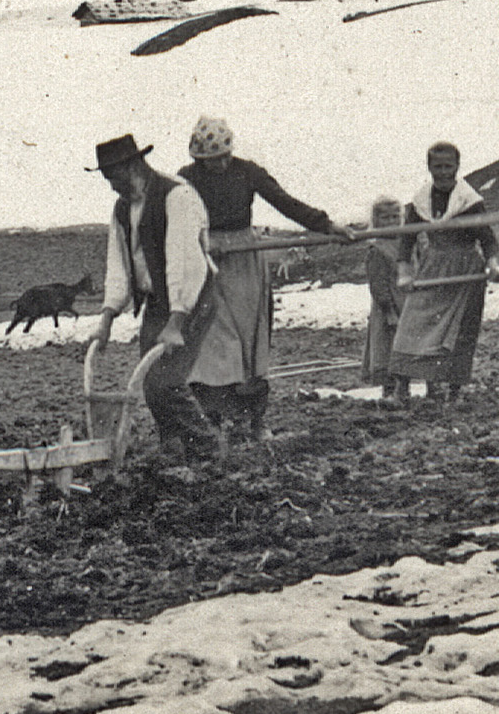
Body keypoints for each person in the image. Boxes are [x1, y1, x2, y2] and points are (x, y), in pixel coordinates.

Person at [178, 117, 342, 441]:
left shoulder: (247, 171)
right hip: (205, 259)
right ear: (198, 159)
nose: (220, 164)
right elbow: (175, 220)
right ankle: (213, 419)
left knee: (248, 341)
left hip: (244, 258)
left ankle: (251, 420)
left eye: (224, 156)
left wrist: (326, 225)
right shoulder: (186, 179)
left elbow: (285, 202)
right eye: (211, 161)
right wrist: (200, 244)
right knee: (212, 341)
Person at [84, 133, 225, 466]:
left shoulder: (176, 196)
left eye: (114, 178)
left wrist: (177, 322)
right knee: (151, 384)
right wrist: (105, 320)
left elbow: (185, 263)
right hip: (158, 302)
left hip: (193, 299)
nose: (112, 186)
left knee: (168, 381)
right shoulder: (122, 209)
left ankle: (206, 449)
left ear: (133, 166)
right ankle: (175, 446)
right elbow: (118, 266)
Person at [389, 140, 499, 402]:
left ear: (457, 166)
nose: (442, 171)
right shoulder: (420, 202)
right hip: (432, 267)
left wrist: (493, 264)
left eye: (448, 166)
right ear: (429, 167)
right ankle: (402, 387)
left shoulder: (470, 201)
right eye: (437, 166)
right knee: (413, 325)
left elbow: (487, 238)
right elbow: (407, 239)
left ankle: (452, 391)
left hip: (465, 270)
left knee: (458, 331)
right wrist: (405, 272)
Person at [361, 193, 411, 401]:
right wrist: (388, 310)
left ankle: (404, 388)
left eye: (395, 217)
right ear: (376, 221)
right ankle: (389, 391)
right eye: (386, 218)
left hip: (407, 303)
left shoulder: (405, 243)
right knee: (387, 347)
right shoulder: (378, 249)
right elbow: (378, 284)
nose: (391, 222)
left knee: (406, 346)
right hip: (388, 307)